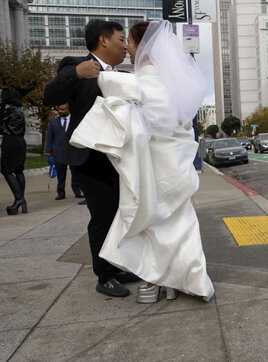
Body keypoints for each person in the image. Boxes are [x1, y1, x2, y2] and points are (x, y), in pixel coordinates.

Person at [69, 20, 214, 303]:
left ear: (144, 45)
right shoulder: (174, 84)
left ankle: (154, 280)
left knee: (150, 222)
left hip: (153, 166)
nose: (128, 49)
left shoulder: (137, 82)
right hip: (176, 163)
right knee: (179, 222)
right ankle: (183, 279)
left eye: (131, 44)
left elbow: (116, 92)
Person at [44, 20, 139, 298]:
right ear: (103, 40)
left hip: (118, 158)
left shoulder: (122, 74)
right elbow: (52, 95)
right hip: (89, 158)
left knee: (121, 214)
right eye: (121, 39)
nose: (124, 46)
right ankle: (104, 276)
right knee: (102, 215)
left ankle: (117, 265)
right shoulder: (75, 64)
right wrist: (75, 73)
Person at [0, 87, 27, 215]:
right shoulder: (19, 110)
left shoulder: (7, 109)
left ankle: (19, 199)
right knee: (18, 171)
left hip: (10, 142)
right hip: (20, 141)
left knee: (6, 171)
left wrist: (1, 112)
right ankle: (21, 201)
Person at [45, 104, 84, 201]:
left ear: (68, 109)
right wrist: (48, 150)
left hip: (73, 151)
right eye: (59, 109)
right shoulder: (53, 122)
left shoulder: (75, 120)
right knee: (61, 174)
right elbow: (49, 137)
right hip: (59, 152)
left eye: (63, 109)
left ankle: (77, 191)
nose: (60, 111)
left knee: (75, 173)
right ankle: (61, 193)